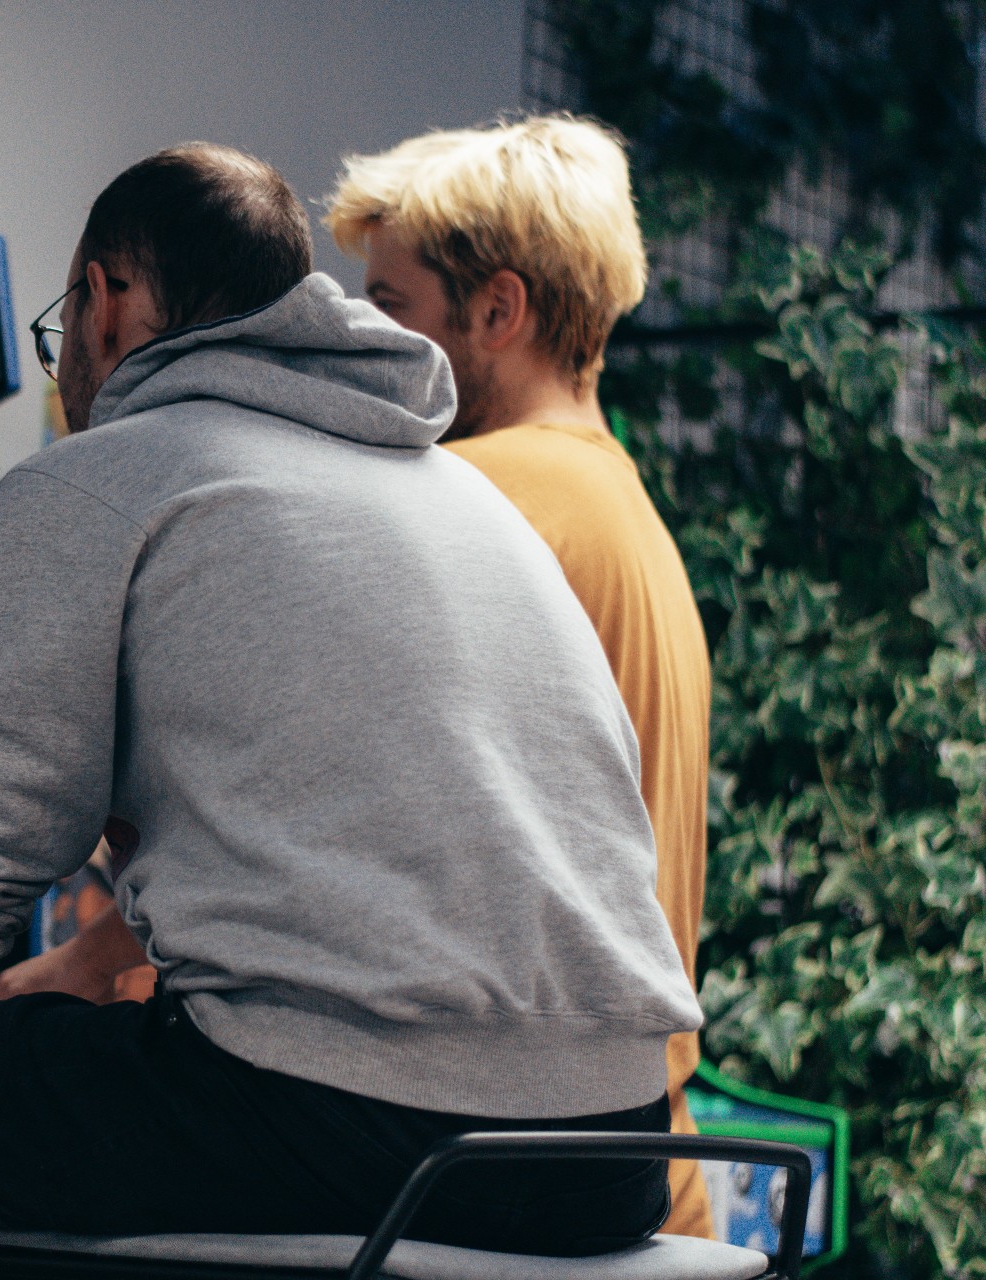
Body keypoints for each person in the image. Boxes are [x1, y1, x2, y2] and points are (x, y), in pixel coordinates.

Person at [0, 144, 700, 1278]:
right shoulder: (465, 497)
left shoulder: (100, 478)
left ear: (105, 301)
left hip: (351, 1116)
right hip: (613, 1149)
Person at [325, 114, 716, 1240]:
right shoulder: (620, 511)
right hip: (637, 1164)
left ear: (497, 311)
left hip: (482, 1178)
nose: (363, 333)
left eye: (390, 305)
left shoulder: (476, 498)